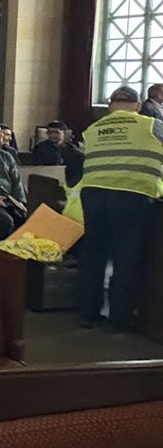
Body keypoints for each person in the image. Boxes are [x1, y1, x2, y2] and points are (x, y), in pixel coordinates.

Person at [76, 86, 163, 330]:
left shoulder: (92, 130)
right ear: (138, 106)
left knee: (94, 254)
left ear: (110, 105)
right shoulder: (152, 125)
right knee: (126, 256)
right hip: (131, 195)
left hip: (93, 194)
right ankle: (120, 318)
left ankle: (88, 313)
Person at [30, 120, 85, 187]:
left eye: (56, 132)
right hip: (46, 182)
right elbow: (37, 169)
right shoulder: (40, 149)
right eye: (50, 132)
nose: (52, 135)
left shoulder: (74, 151)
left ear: (64, 133)